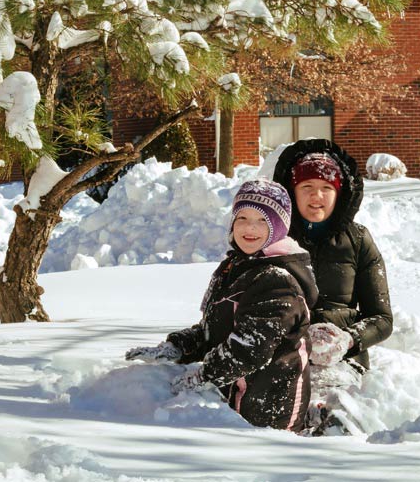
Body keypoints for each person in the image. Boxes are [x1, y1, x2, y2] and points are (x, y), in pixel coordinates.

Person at [126, 180, 318, 431]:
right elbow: (217, 329)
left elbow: (249, 348)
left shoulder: (276, 280)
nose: (250, 227)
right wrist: (178, 346)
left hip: (269, 410)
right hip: (238, 397)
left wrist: (202, 376)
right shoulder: (238, 266)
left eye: (263, 221)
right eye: (243, 218)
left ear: (279, 227)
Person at [271, 138, 393, 434]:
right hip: (285, 354)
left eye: (327, 188)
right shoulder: (272, 238)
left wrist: (347, 340)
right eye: (307, 188)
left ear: (340, 193)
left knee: (332, 413)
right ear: (291, 192)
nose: (317, 197)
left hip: (341, 361)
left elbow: (382, 318)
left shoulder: (359, 240)